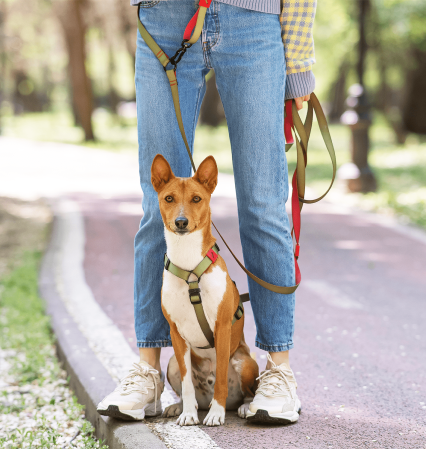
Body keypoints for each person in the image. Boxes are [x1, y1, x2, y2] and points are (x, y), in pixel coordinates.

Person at [97, 0, 317, 424]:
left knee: (264, 205)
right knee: (155, 206)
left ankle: (278, 372)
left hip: (253, 17)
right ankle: (148, 369)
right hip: (164, 17)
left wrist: (299, 60)